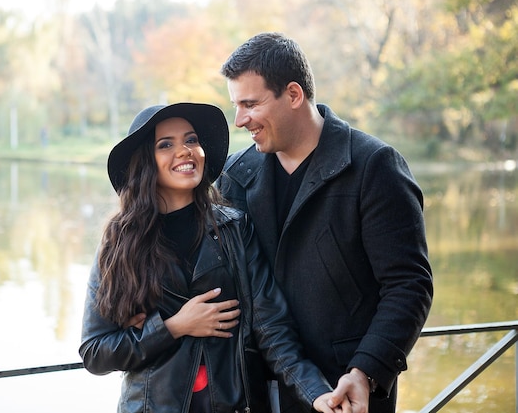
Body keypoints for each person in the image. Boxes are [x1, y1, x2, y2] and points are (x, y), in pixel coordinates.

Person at [79, 102, 351, 413]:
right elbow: (96, 352)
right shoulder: (120, 244)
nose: (184, 151)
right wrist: (174, 327)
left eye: (191, 140)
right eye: (166, 144)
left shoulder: (235, 229)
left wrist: (317, 394)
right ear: (146, 162)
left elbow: (272, 328)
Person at [217, 32, 434, 413]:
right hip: (252, 394)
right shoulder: (235, 174)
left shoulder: (375, 167)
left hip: (345, 395)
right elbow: (207, 265)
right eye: (236, 105)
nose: (239, 120)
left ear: (294, 95)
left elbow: (409, 286)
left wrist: (366, 370)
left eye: (250, 104)